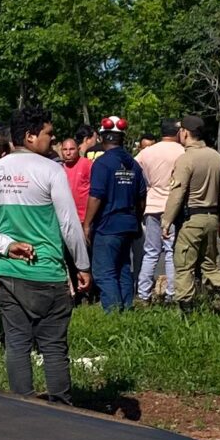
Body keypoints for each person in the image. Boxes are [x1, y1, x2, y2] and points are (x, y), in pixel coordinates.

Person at [0, 105, 92, 400]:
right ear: (31, 136)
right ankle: (61, 407)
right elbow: (69, 225)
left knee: (17, 345)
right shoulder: (51, 170)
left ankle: (21, 408)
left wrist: (6, 246)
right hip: (48, 274)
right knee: (53, 347)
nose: (53, 139)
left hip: (9, 277)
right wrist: (83, 266)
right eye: (49, 133)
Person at [166, 116, 220, 311]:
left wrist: (166, 221)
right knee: (210, 266)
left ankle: (187, 312)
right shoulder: (216, 157)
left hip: (191, 220)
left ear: (185, 132)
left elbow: (177, 194)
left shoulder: (185, 159)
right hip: (212, 218)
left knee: (184, 266)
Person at [83, 117, 145, 311]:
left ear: (102, 137)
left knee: (104, 272)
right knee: (123, 268)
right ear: (122, 139)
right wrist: (136, 217)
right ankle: (126, 309)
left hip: (108, 225)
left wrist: (87, 224)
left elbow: (96, 196)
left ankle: (113, 313)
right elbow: (142, 197)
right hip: (128, 223)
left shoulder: (102, 164)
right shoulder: (133, 164)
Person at [134, 120, 185, 305]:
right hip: (173, 206)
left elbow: (134, 171)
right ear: (178, 132)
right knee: (171, 252)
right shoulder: (182, 152)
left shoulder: (147, 152)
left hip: (151, 205)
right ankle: (172, 294)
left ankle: (143, 293)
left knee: (151, 252)